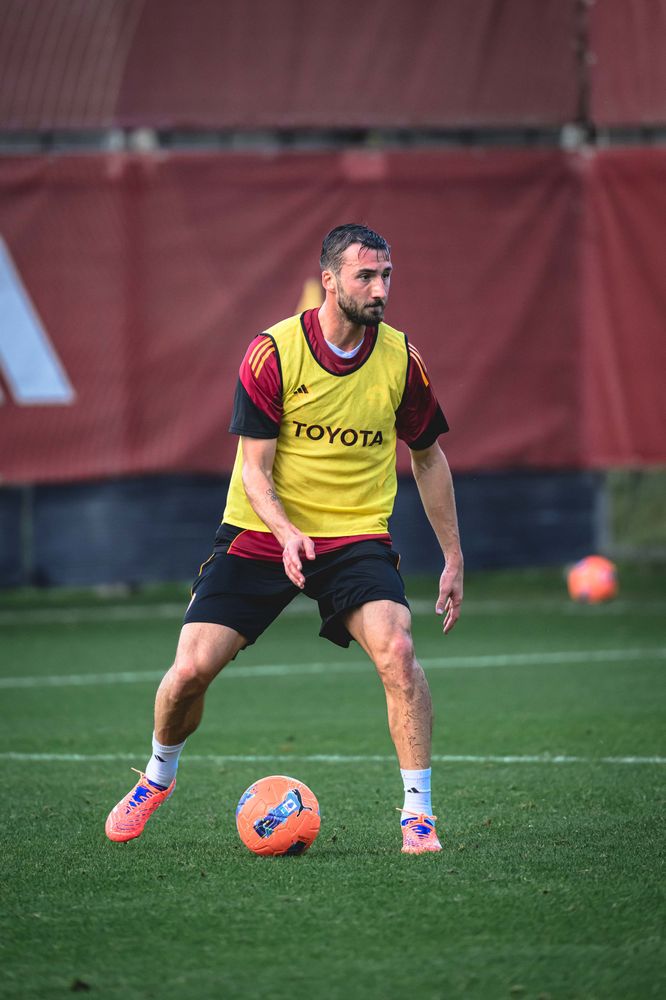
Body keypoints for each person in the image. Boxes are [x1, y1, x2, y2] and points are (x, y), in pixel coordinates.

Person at [105, 223, 464, 854]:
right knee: (189, 670)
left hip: (354, 537)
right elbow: (255, 470)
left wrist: (454, 558)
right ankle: (157, 777)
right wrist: (287, 532)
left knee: (399, 653)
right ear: (329, 280)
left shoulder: (400, 361)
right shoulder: (272, 353)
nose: (380, 288)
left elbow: (429, 458)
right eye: (365, 276)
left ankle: (418, 816)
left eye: (386, 275)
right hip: (260, 532)